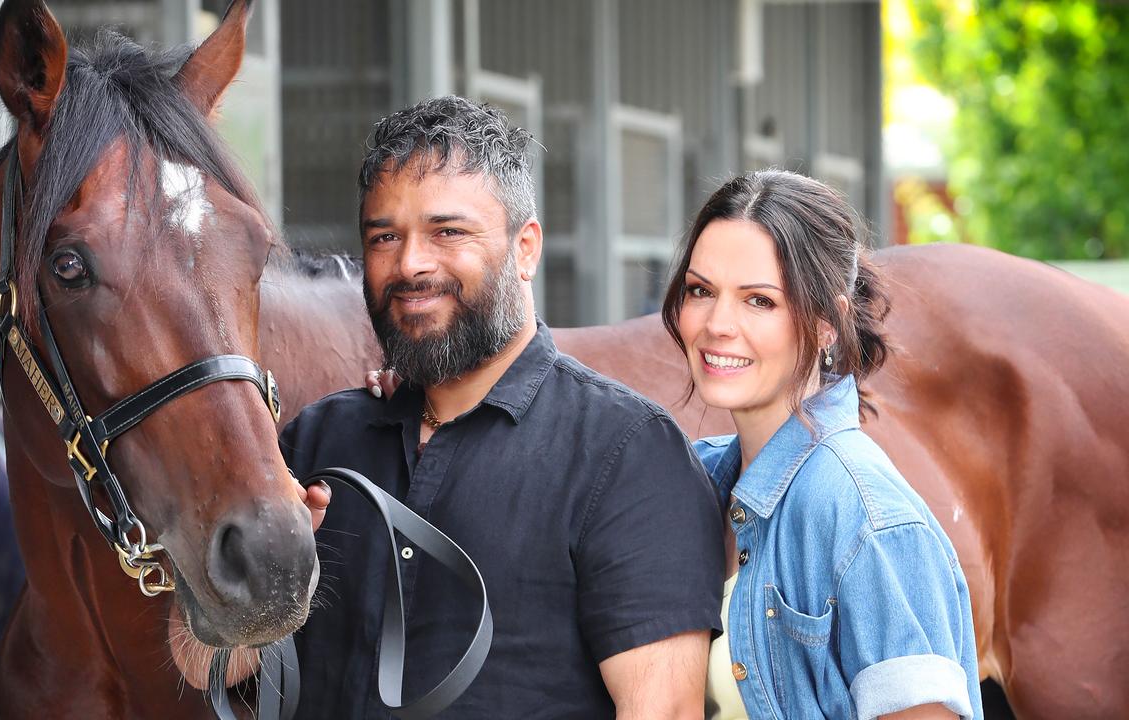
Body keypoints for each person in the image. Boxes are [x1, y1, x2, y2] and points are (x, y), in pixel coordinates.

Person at [280, 96, 725, 719]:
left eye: (448, 232)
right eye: (384, 236)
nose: (410, 263)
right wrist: (268, 588)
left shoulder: (627, 456)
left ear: (526, 248)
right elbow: (207, 670)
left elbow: (664, 712)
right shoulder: (316, 443)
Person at [660, 169, 982, 719]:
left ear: (827, 323)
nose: (717, 324)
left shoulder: (865, 515)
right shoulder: (700, 480)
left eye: (759, 301)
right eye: (701, 291)